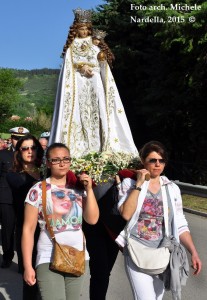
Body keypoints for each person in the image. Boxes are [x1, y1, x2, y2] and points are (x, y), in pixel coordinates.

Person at [115, 141, 202, 300]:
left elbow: (180, 223)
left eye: (161, 160)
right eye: (152, 160)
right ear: (143, 161)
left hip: (163, 254)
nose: (157, 164)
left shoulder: (171, 188)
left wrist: (193, 252)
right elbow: (126, 214)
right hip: (136, 250)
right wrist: (140, 184)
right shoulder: (129, 184)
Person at [49, 8, 138, 159]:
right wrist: (81, 67)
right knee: (78, 113)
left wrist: (100, 62)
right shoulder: (72, 47)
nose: (84, 32)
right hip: (78, 83)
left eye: (86, 29)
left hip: (94, 81)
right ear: (75, 29)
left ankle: (102, 148)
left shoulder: (94, 44)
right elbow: (69, 66)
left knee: (99, 111)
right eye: (81, 29)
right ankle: (78, 149)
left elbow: (100, 63)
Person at [22, 143, 99, 300]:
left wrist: (89, 190)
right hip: (48, 256)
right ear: (48, 163)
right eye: (56, 160)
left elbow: (92, 219)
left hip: (78, 256)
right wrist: (27, 266)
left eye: (66, 159)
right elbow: (28, 230)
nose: (62, 163)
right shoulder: (38, 190)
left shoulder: (78, 188)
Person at [7, 134, 44, 299]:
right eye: (25, 148)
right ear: (18, 152)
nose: (30, 151)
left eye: (33, 147)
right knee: (31, 279)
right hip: (28, 231)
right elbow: (26, 189)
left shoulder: (46, 171)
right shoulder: (14, 175)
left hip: (48, 230)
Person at [0, 126, 29, 268]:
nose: (18, 141)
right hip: (6, 198)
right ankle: (7, 256)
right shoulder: (3, 155)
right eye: (16, 138)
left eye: (21, 138)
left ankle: (24, 262)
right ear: (11, 138)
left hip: (26, 199)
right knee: (7, 230)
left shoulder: (31, 155)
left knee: (24, 230)